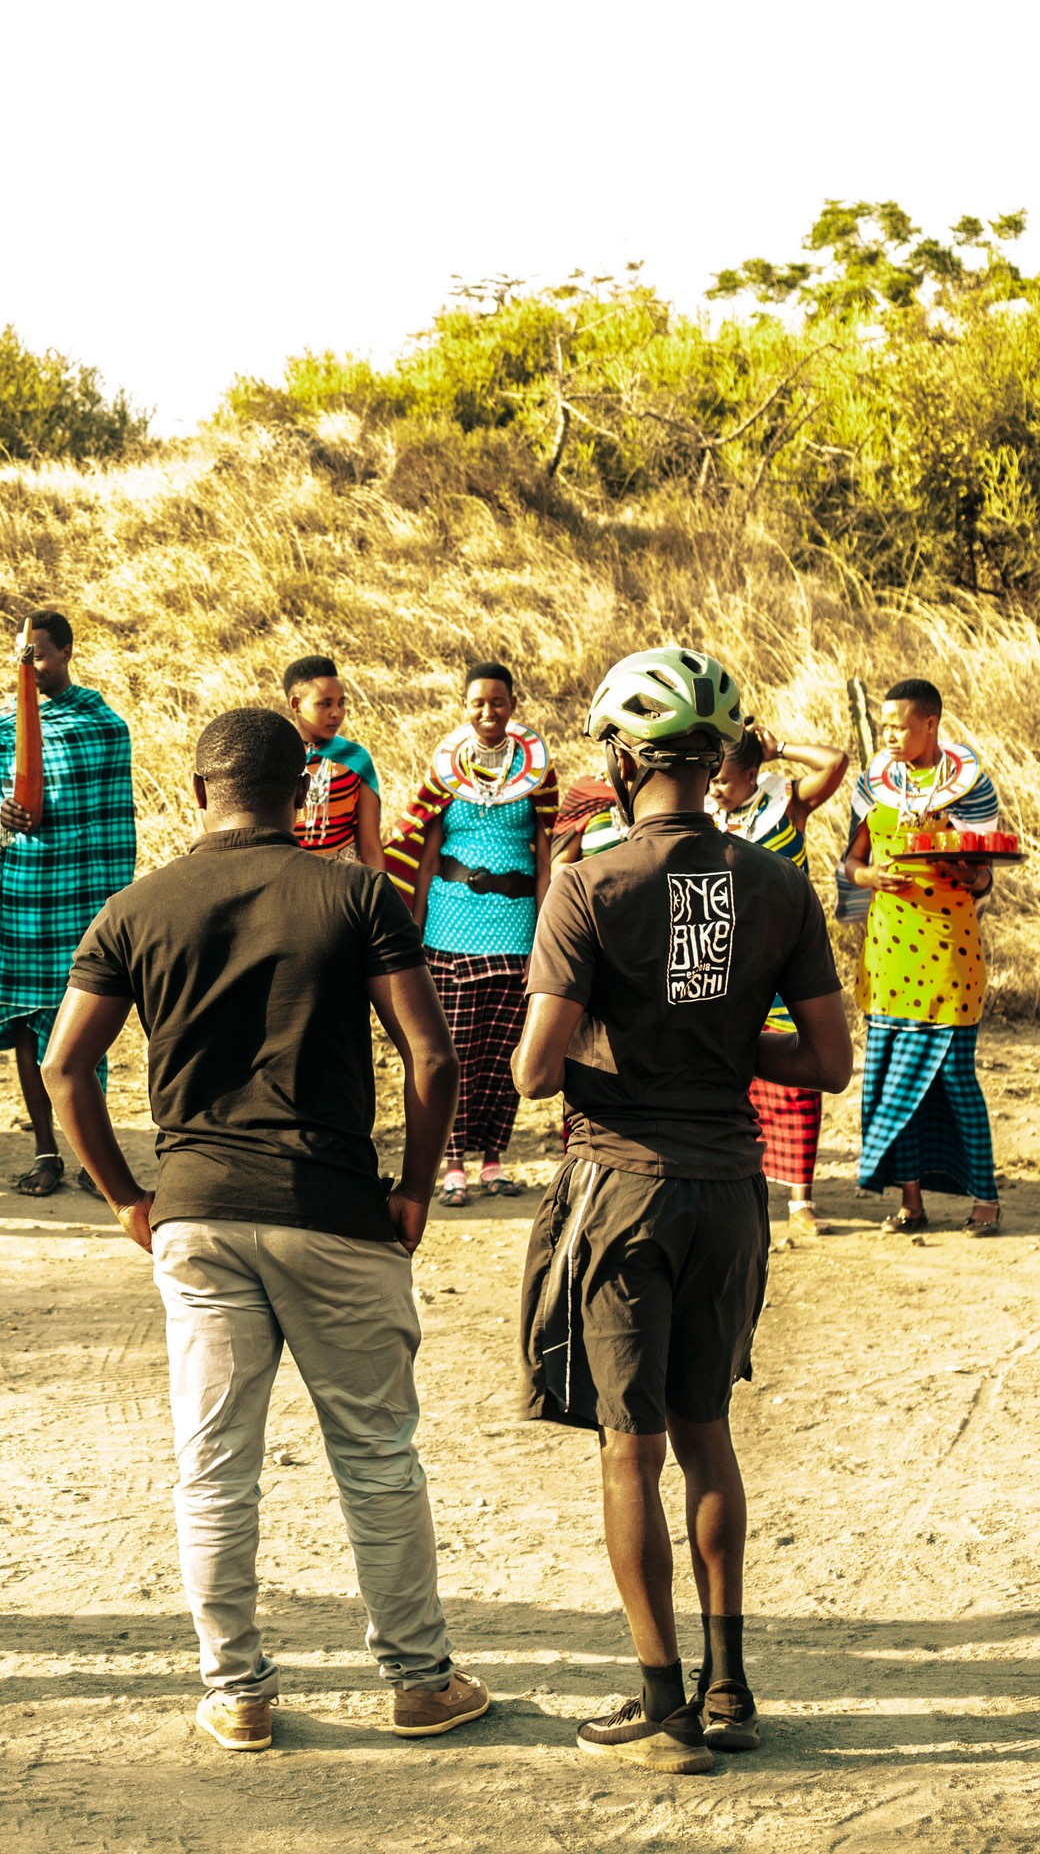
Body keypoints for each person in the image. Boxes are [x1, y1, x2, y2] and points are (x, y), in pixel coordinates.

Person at [42, 706, 488, 1755]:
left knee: (213, 1465)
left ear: (198, 790)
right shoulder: (356, 894)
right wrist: (414, 1190)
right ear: (305, 793)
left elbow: (65, 1065)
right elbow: (430, 1059)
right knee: (376, 1456)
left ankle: (238, 1690)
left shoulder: (134, 909)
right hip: (332, 1210)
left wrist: (123, 1197)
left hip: (195, 1215)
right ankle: (419, 1681)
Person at [512, 646, 852, 1773]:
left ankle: (658, 1702)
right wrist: (718, 1044)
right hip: (730, 1187)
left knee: (630, 1446)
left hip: (621, 1187)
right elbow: (825, 1061)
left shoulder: (588, 883)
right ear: (718, 765)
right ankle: (730, 1690)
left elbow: (532, 1071)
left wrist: (637, 1040)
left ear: (620, 760)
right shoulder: (777, 882)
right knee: (709, 1432)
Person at [0, 610, 137, 1198]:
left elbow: (108, 815)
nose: (28, 665)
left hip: (84, 898)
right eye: (20, 654)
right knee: (26, 1024)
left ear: (65, 652)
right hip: (25, 897)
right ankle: (45, 1150)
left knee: (86, 1024)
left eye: (37, 653)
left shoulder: (102, 726)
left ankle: (92, 1156)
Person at [385, 660, 558, 1205]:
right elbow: (425, 854)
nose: (489, 712)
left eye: (499, 702)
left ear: (513, 705)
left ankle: (492, 1159)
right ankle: (453, 1163)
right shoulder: (445, 773)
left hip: (514, 931)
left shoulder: (538, 773)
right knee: (453, 1047)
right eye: (478, 703)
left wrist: (543, 937)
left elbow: (547, 856)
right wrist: (411, 932)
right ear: (465, 706)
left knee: (503, 1047)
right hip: (449, 924)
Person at [839, 678, 1005, 1236]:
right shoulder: (874, 784)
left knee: (956, 1078)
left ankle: (986, 1200)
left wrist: (969, 872)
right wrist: (870, 876)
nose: (889, 734)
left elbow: (985, 871)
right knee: (889, 1079)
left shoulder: (969, 786)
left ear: (930, 725)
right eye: (884, 725)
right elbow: (850, 862)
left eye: (900, 726)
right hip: (888, 955)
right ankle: (911, 1203)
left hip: (950, 953)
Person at [708, 721, 850, 1239]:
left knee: (797, 1080)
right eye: (710, 779)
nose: (715, 788)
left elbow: (835, 763)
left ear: (752, 773)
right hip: (726, 960)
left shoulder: (785, 804)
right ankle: (738, 1181)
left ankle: (800, 1199)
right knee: (732, 1071)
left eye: (724, 779)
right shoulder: (700, 814)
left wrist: (779, 748)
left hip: (786, 960)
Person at [281, 655, 385, 870]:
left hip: (343, 879)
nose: (336, 713)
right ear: (296, 704)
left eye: (341, 703)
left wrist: (380, 897)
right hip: (289, 877)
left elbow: (371, 845)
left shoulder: (355, 758)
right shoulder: (276, 757)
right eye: (324, 704)